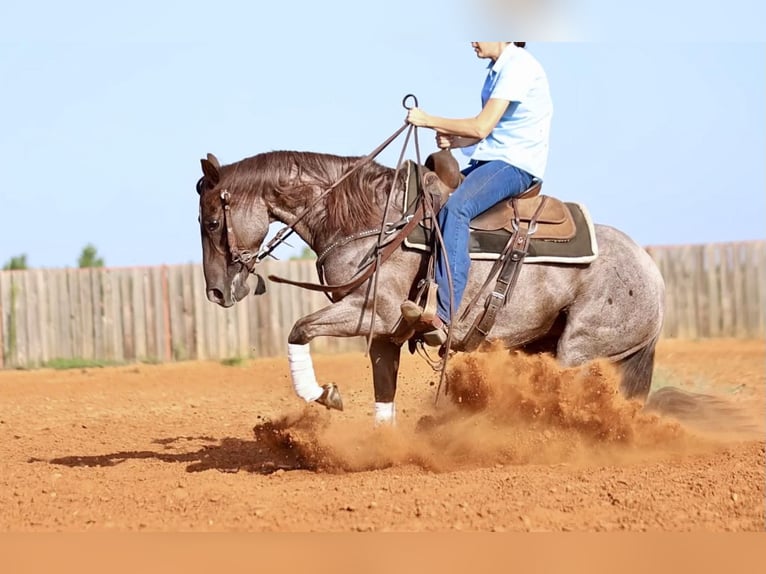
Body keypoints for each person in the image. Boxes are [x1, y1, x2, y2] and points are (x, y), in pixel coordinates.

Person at [403, 41, 553, 346]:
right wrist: (457, 141)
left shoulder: (518, 66)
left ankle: (445, 313)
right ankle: (427, 292)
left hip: (515, 165)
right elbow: (496, 131)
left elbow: (483, 126)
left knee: (457, 208)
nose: (472, 40)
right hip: (495, 159)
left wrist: (428, 119)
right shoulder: (496, 71)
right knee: (435, 202)